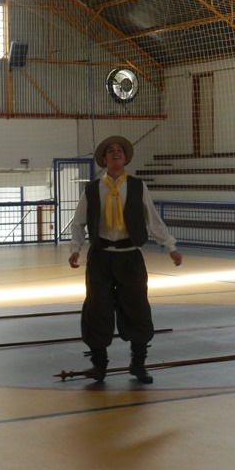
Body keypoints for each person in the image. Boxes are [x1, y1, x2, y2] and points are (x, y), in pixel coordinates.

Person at [68, 135, 182, 384]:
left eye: (119, 150)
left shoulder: (138, 186)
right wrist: (75, 248)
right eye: (110, 151)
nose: (115, 153)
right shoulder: (92, 189)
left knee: (137, 307)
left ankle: (138, 364)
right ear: (104, 159)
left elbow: (153, 219)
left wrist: (170, 245)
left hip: (130, 256)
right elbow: (78, 223)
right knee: (97, 309)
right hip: (100, 258)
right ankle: (99, 365)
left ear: (126, 158)